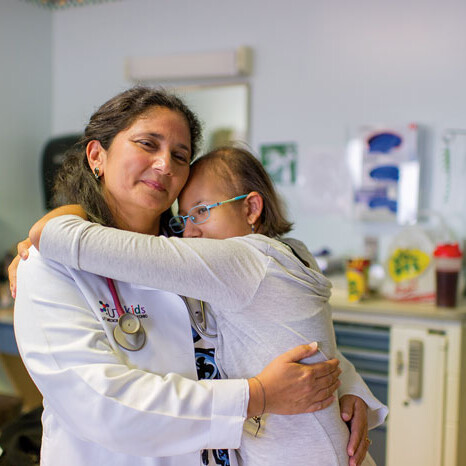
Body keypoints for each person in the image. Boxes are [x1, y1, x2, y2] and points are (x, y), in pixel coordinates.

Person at [11, 87, 348, 466]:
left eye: (180, 155)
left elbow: (284, 329)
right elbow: (104, 406)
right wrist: (257, 395)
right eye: (147, 144)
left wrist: (347, 397)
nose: (164, 165)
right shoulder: (49, 265)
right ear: (97, 156)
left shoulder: (201, 250)